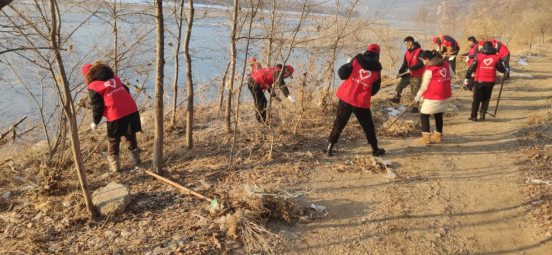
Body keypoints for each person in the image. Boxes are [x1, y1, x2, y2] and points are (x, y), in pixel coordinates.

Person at [326, 44, 385, 157]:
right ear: (378, 54)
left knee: (339, 122)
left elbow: (342, 73)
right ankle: (375, 149)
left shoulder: (357, 59)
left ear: (367, 51)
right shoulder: (377, 70)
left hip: (346, 97)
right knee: (368, 126)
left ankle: (329, 147)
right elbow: (374, 91)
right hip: (361, 102)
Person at [83, 62, 142, 172]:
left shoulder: (93, 86)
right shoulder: (114, 78)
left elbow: (97, 105)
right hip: (131, 107)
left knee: (114, 139)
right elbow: (126, 90)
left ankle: (115, 166)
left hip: (115, 112)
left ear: (87, 76)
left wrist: (95, 121)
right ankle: (136, 158)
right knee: (130, 133)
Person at [413, 50, 453, 145]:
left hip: (434, 95)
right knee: (438, 114)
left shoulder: (429, 70)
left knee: (424, 115)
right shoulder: (446, 63)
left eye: (423, 60)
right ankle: (438, 136)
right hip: (446, 93)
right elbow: (452, 75)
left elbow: (424, 87)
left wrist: (418, 96)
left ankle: (426, 138)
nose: (423, 62)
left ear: (427, 59)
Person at [464, 41, 507, 121]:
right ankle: (482, 115)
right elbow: (501, 69)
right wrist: (505, 70)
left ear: (483, 47)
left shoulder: (478, 56)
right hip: (490, 80)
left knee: (476, 98)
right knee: (486, 98)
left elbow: (471, 67)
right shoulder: (496, 57)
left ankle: (473, 116)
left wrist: (467, 76)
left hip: (479, 80)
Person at [389, 36, 424, 114]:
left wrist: (412, 68)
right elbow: (405, 63)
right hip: (408, 74)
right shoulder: (407, 52)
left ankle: (415, 107)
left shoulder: (420, 51)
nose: (405, 46)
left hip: (416, 75)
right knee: (399, 85)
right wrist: (400, 72)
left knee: (414, 92)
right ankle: (396, 98)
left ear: (410, 42)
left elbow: (421, 63)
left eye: (406, 44)